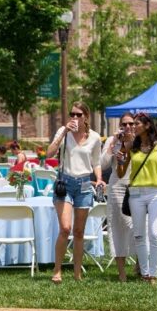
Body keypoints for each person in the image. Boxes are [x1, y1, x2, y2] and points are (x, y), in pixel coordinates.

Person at [118, 112, 157, 284]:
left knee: (154, 233)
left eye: (137, 123)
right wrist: (120, 161)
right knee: (139, 235)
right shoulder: (132, 146)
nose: (133, 126)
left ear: (147, 126)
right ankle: (145, 274)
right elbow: (121, 173)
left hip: (156, 192)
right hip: (136, 193)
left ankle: (153, 274)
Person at [46, 102, 104, 283]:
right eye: (72, 114)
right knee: (65, 228)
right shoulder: (64, 132)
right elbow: (49, 154)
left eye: (79, 114)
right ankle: (57, 270)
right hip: (65, 183)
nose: (75, 118)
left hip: (85, 184)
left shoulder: (95, 137)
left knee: (79, 231)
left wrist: (100, 178)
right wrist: (64, 133)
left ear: (86, 116)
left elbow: (96, 162)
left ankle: (77, 274)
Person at [101, 113, 136, 282]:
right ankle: (121, 272)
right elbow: (102, 164)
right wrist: (113, 143)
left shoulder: (140, 140)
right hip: (116, 186)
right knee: (116, 227)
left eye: (131, 123)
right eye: (124, 124)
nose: (128, 127)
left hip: (136, 186)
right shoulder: (112, 141)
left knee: (136, 226)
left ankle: (139, 263)